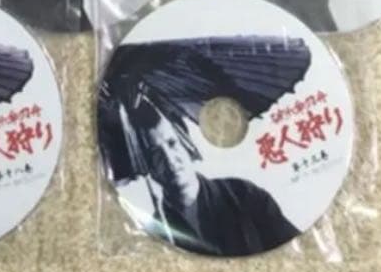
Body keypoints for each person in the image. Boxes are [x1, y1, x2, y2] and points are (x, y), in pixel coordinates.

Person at [126, 96, 298, 257]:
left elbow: (293, 252)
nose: (170, 160)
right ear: (145, 165)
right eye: (155, 154)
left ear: (187, 143)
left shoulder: (244, 195)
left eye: (172, 143)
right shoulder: (156, 232)